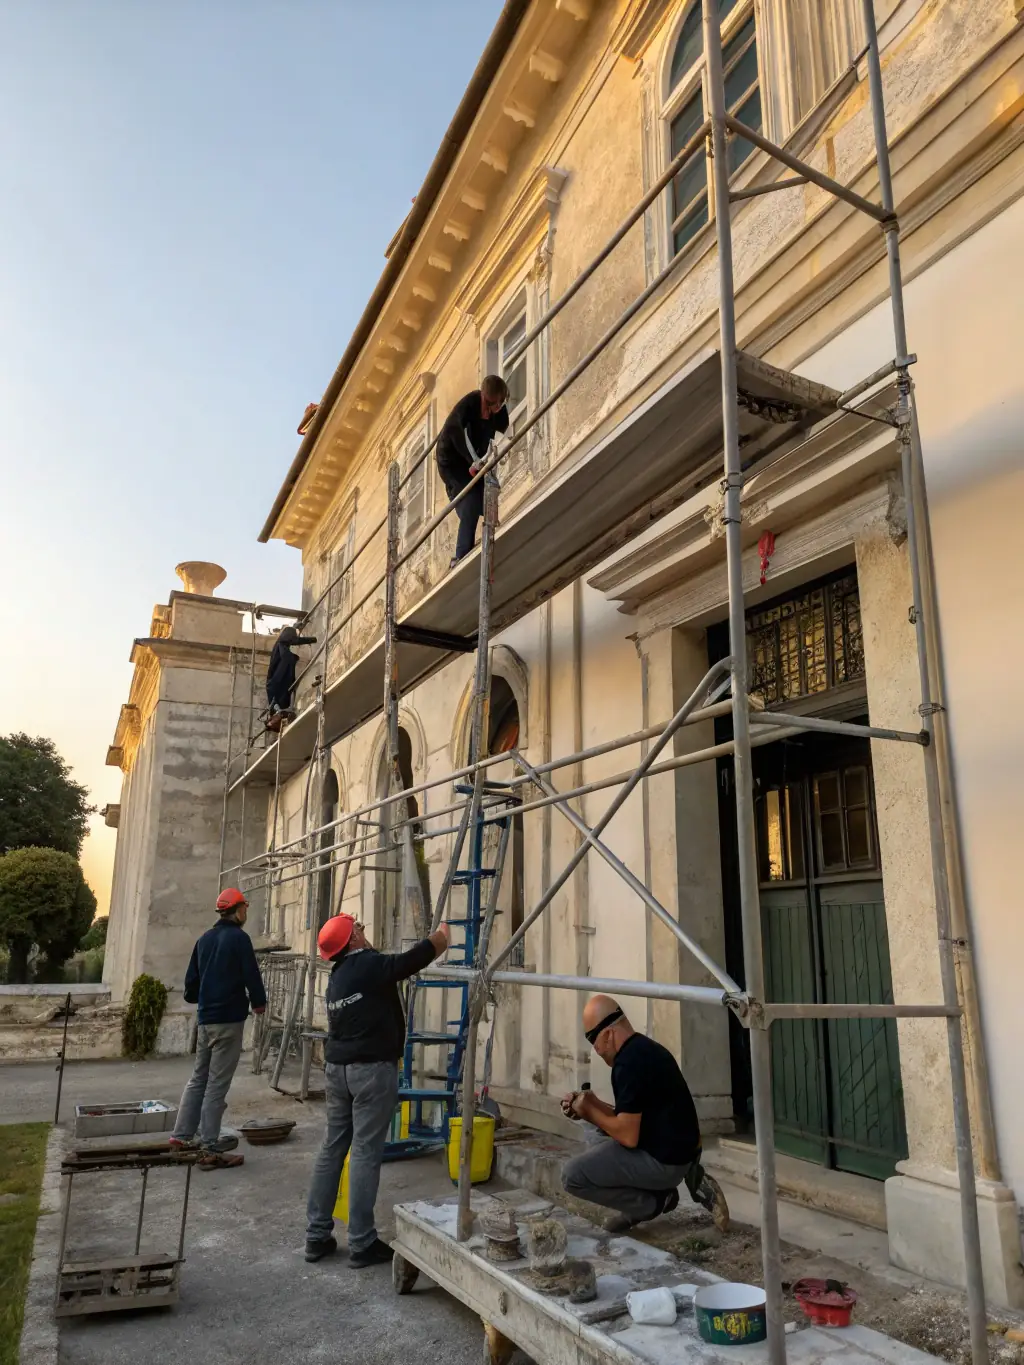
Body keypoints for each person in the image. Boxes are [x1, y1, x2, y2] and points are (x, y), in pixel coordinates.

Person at [304, 913, 451, 1265]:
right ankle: (361, 1242)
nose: (364, 932)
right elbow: (408, 962)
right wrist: (440, 939)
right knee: (367, 1152)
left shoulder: (338, 975)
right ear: (352, 940)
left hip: (337, 1070)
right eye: (359, 929)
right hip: (370, 1071)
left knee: (332, 1148)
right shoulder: (366, 965)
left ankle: (316, 1235)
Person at [560, 994, 729, 1233]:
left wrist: (589, 1110)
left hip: (666, 1163)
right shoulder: (643, 1049)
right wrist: (590, 1106)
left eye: (592, 1039)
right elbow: (631, 1115)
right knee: (591, 1129)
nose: (595, 1049)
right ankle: (662, 1192)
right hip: (678, 1152)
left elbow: (628, 1136)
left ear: (608, 1033)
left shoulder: (627, 1064)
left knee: (571, 1176)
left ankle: (649, 1203)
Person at [169, 888, 267, 1169]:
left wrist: (209, 995)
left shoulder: (204, 940)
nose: (246, 913)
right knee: (217, 1083)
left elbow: (190, 989)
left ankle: (181, 1134)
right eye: (244, 908)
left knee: (199, 1076)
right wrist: (259, 1003)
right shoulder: (239, 939)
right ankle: (209, 1145)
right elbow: (252, 974)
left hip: (206, 1020)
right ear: (236, 910)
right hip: (229, 1021)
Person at [436, 375, 510, 565]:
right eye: (486, 405)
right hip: (452, 461)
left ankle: (490, 532)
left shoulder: (499, 413)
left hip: (474, 461)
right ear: (483, 397)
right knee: (469, 500)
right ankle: (460, 555)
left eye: (493, 407)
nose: (487, 412)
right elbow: (453, 430)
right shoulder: (468, 405)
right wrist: (471, 461)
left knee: (485, 494)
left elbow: (507, 434)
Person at [265, 624, 317, 718]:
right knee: (278, 700)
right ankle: (277, 711)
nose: (294, 639)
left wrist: (313, 639)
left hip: (275, 682)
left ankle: (278, 710)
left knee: (280, 699)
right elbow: (288, 653)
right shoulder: (281, 643)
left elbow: (294, 642)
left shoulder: (281, 644)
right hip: (276, 681)